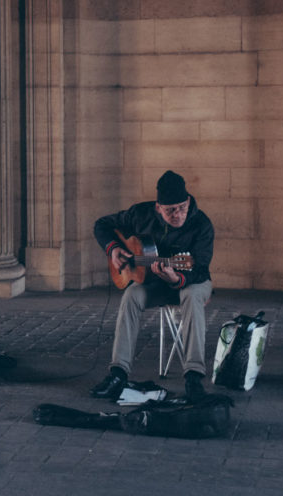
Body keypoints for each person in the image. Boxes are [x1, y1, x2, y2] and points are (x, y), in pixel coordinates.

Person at [89, 169, 214, 400]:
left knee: (192, 296)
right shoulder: (140, 214)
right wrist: (113, 249)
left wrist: (176, 279)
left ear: (188, 201)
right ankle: (118, 373)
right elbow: (101, 225)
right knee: (131, 296)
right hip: (152, 284)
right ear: (158, 207)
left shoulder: (201, 224)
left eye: (182, 208)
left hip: (192, 282)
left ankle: (194, 376)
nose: (177, 215)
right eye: (170, 210)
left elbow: (200, 268)